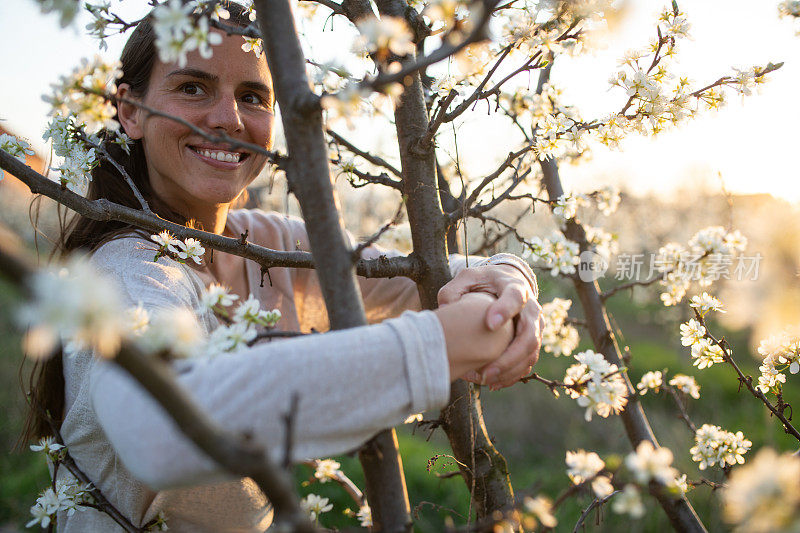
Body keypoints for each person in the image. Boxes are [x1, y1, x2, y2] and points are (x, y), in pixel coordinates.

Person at [22, 3, 543, 531]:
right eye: (193, 88)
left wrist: (508, 278)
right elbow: (160, 430)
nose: (228, 119)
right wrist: (439, 343)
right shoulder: (125, 274)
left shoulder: (269, 242)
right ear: (129, 110)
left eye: (252, 97)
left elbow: (427, 276)